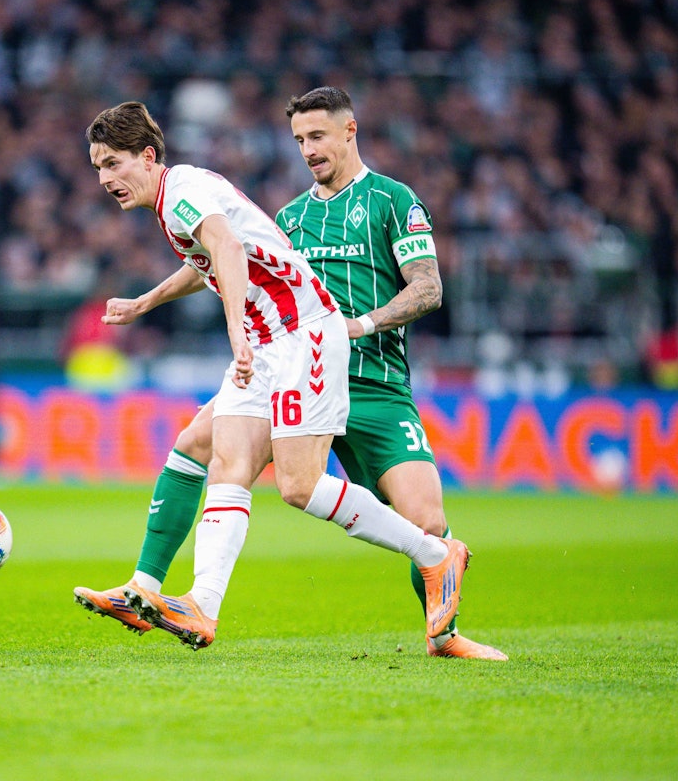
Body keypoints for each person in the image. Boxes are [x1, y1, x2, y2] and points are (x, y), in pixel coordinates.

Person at [75, 100, 469, 650]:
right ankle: (200, 605)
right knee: (226, 461)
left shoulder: (182, 190)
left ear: (147, 156)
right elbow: (212, 257)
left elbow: (229, 248)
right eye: (98, 168)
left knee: (298, 486)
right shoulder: (176, 198)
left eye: (113, 164)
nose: (105, 179)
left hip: (303, 332)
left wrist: (236, 330)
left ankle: (436, 554)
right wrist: (147, 301)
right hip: (267, 339)